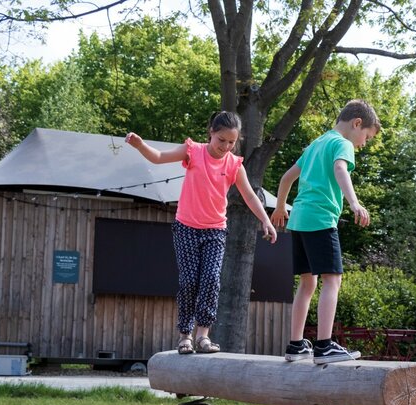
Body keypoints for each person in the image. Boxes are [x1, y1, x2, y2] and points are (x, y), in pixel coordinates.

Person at [125, 111, 277, 354]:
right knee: (189, 282)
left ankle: (203, 336)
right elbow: (159, 157)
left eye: (231, 142)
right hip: (186, 227)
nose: (225, 146)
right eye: (221, 140)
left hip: (215, 230)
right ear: (211, 133)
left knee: (211, 280)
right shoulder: (193, 151)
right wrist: (140, 144)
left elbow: (249, 195)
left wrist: (265, 220)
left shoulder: (234, 164)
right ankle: (185, 335)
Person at [271, 99, 380, 364]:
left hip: (298, 219)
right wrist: (354, 202)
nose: (362, 144)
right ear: (356, 124)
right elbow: (340, 168)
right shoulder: (341, 144)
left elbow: (287, 177)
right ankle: (324, 346)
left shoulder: (315, 144)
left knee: (307, 283)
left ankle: (295, 345)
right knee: (333, 280)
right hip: (320, 219)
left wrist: (279, 208)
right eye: (365, 136)